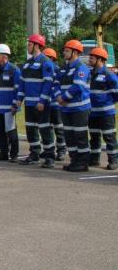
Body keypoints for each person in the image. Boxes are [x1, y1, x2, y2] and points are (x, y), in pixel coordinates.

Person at [17, 34, 57, 168]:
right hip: (29, 103)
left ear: (37, 46)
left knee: (45, 130)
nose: (28, 46)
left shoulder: (46, 62)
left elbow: (48, 83)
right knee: (31, 129)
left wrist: (42, 101)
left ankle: (50, 156)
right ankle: (34, 154)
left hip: (41, 104)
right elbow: (22, 83)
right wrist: (19, 99)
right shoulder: (27, 64)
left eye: (29, 44)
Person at [54, 40, 91, 172]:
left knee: (80, 136)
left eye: (67, 51)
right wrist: (58, 96)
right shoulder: (64, 68)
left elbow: (78, 86)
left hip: (79, 109)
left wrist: (63, 98)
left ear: (75, 52)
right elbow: (56, 83)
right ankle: (74, 160)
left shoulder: (81, 67)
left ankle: (83, 163)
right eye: (64, 50)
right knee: (69, 136)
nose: (64, 53)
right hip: (66, 108)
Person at [0, 44, 21, 162]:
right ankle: (3, 153)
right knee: (0, 130)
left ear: (4, 56)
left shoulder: (14, 70)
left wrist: (14, 105)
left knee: (11, 131)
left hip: (8, 107)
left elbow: (18, 89)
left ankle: (14, 154)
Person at [87, 47, 118, 170]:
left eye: (92, 58)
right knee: (94, 137)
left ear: (100, 59)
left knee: (109, 137)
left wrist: (107, 102)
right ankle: (94, 159)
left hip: (106, 113)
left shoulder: (108, 75)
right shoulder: (90, 73)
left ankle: (113, 161)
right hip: (93, 113)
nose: (89, 59)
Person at [43, 47, 67, 161]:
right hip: (46, 103)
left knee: (59, 128)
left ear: (52, 58)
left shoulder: (58, 70)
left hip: (56, 104)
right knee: (47, 128)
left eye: (46, 56)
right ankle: (49, 149)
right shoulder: (44, 69)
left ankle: (61, 150)